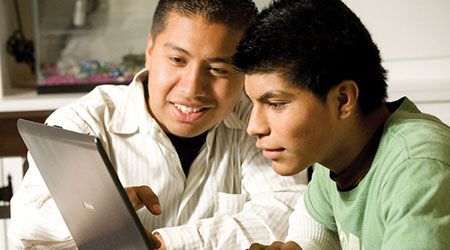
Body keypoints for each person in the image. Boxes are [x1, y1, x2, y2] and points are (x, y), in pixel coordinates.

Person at [8, 1, 311, 249]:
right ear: (150, 51)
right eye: (178, 60)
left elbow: (286, 213)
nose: (192, 89)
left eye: (218, 69)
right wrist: (98, 216)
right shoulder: (83, 122)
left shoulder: (256, 122)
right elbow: (27, 225)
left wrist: (165, 243)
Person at [232, 0, 450, 249]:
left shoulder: (417, 166)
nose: (253, 127)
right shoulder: (338, 152)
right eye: (253, 104)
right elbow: (315, 235)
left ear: (343, 100)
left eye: (276, 104)